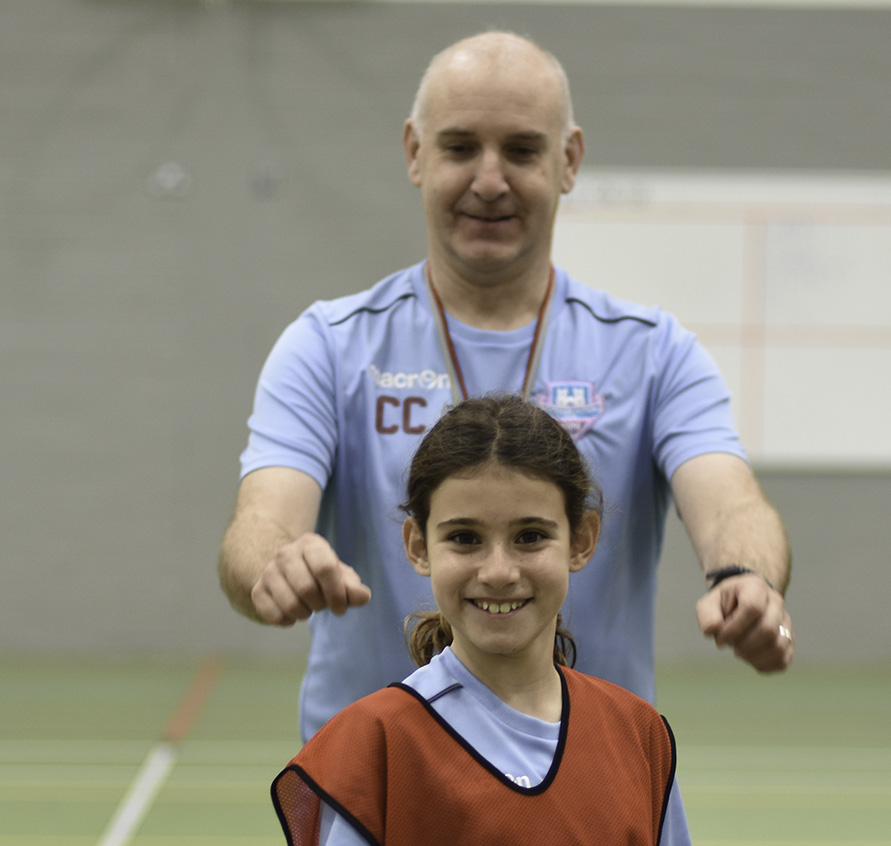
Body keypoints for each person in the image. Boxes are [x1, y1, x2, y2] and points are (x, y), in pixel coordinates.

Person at [219, 30, 794, 744]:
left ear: (568, 160)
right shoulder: (329, 347)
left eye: (521, 151)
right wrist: (276, 562)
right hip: (379, 780)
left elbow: (733, 504)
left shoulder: (653, 354)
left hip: (591, 780)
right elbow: (261, 521)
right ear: (415, 153)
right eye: (460, 147)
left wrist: (743, 576)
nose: (489, 181)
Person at [271, 395, 708, 846]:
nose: (498, 571)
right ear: (418, 546)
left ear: (582, 539)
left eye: (530, 536)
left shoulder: (638, 739)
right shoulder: (373, 751)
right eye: (465, 539)